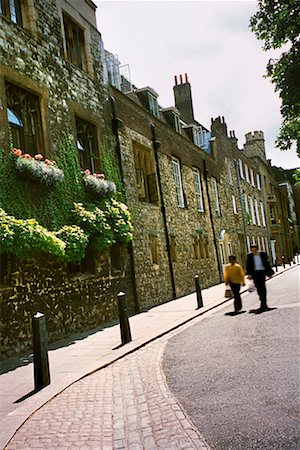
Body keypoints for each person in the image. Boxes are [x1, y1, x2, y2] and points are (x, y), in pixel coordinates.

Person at [246, 244, 274, 311]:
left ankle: (264, 303)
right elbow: (248, 266)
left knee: (263, 288)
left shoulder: (263, 254)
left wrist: (269, 273)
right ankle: (261, 299)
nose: (254, 251)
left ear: (257, 249)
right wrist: (249, 274)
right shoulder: (249, 256)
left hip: (262, 272)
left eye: (255, 250)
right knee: (258, 288)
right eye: (252, 250)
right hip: (255, 274)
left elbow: (267, 263)